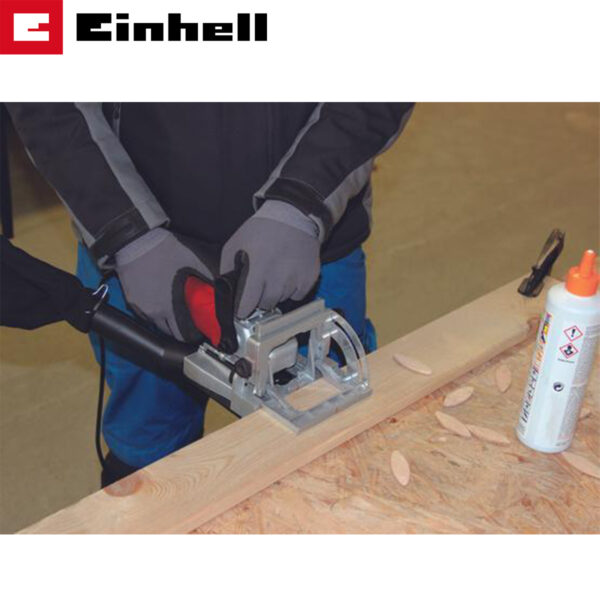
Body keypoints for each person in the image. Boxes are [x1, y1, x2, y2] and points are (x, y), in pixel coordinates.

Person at [7, 102, 414, 485]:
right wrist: (125, 232)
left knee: (331, 450)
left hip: (307, 243)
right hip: (141, 256)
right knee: (150, 467)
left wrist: (304, 200)